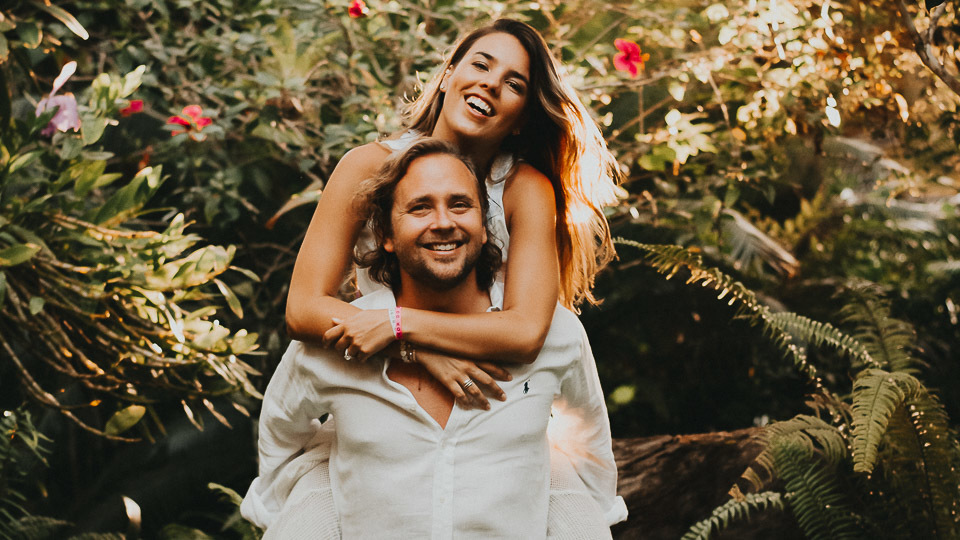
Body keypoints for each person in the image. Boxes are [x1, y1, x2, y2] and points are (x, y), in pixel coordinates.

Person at [243, 140, 626, 538]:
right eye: (420, 207)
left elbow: (590, 451)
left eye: (460, 205)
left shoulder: (557, 335)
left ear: (483, 228)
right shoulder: (338, 341)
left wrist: (565, 500)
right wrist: (318, 496)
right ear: (386, 234)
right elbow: (281, 441)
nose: (443, 221)